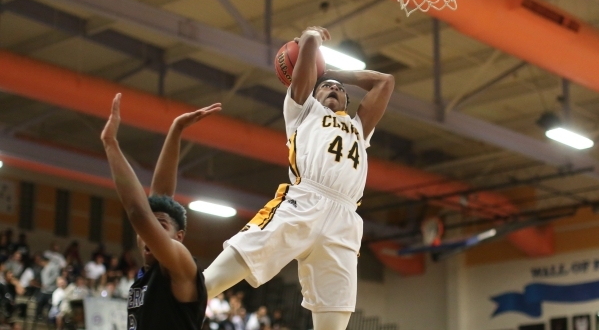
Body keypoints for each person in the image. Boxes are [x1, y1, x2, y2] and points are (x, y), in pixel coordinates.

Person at [200, 26, 395, 330]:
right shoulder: (303, 112)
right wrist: (310, 38)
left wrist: (333, 73)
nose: (334, 90)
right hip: (304, 201)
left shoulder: (359, 127)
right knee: (213, 281)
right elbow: (305, 62)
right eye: (325, 86)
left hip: (345, 221)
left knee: (333, 324)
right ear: (311, 93)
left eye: (339, 89)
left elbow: (386, 82)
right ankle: (172, 310)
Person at [101, 94, 221, 330]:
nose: (148, 233)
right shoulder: (151, 273)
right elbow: (159, 199)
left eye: (161, 227)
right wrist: (176, 130)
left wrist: (110, 143)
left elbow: (139, 213)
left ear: (179, 238)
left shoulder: (181, 265)